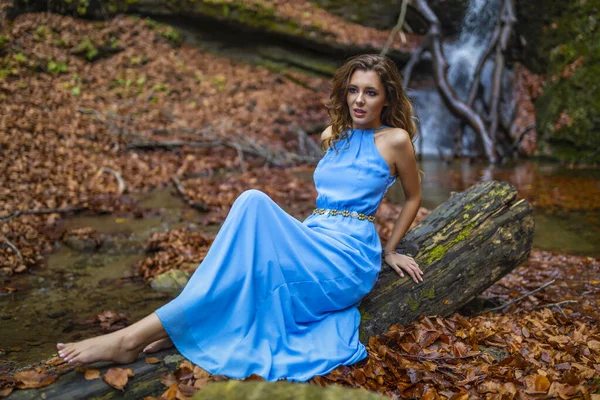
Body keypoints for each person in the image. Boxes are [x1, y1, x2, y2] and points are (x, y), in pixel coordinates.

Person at [56, 53, 423, 382]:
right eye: (353, 90)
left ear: (387, 97)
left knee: (252, 202)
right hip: (314, 235)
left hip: (348, 256)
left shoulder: (395, 140)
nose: (359, 100)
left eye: (370, 92)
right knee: (250, 262)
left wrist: (388, 251)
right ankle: (181, 325)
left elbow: (413, 197)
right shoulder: (333, 135)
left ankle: (129, 338)